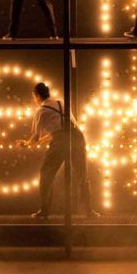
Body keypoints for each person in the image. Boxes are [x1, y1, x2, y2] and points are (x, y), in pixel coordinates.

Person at [16, 83, 96, 219]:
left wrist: (25, 144)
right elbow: (63, 128)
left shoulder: (41, 111)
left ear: (37, 96)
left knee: (46, 173)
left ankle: (44, 210)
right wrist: (45, 140)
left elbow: (35, 137)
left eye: (34, 97)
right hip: (77, 136)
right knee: (82, 175)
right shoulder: (61, 103)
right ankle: (89, 211)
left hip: (61, 141)